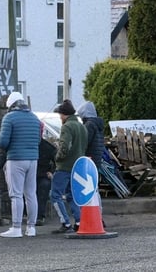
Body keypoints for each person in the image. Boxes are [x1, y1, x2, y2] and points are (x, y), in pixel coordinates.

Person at [0, 91, 40, 238]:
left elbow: (2, 142)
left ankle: (16, 228)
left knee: (16, 195)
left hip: (16, 159)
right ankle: (31, 227)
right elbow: (38, 140)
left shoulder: (9, 118)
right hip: (33, 160)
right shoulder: (34, 118)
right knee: (31, 194)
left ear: (11, 105)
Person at [50, 99, 87, 233]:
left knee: (55, 194)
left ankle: (65, 223)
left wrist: (57, 158)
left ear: (64, 114)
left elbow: (64, 147)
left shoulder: (67, 127)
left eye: (60, 114)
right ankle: (79, 222)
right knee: (72, 195)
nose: (59, 117)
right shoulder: (82, 127)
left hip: (65, 167)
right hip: (77, 166)